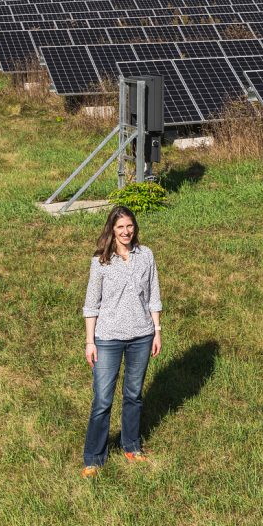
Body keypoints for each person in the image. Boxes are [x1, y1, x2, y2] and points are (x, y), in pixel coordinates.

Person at [81, 205, 163, 479]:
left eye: (129, 226)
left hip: (142, 335)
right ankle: (93, 458)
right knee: (103, 399)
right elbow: (91, 304)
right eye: (120, 228)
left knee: (133, 396)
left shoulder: (146, 255)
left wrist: (157, 330)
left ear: (134, 227)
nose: (126, 232)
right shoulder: (101, 261)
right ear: (112, 231)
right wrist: (90, 342)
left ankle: (131, 446)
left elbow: (153, 296)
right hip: (108, 339)